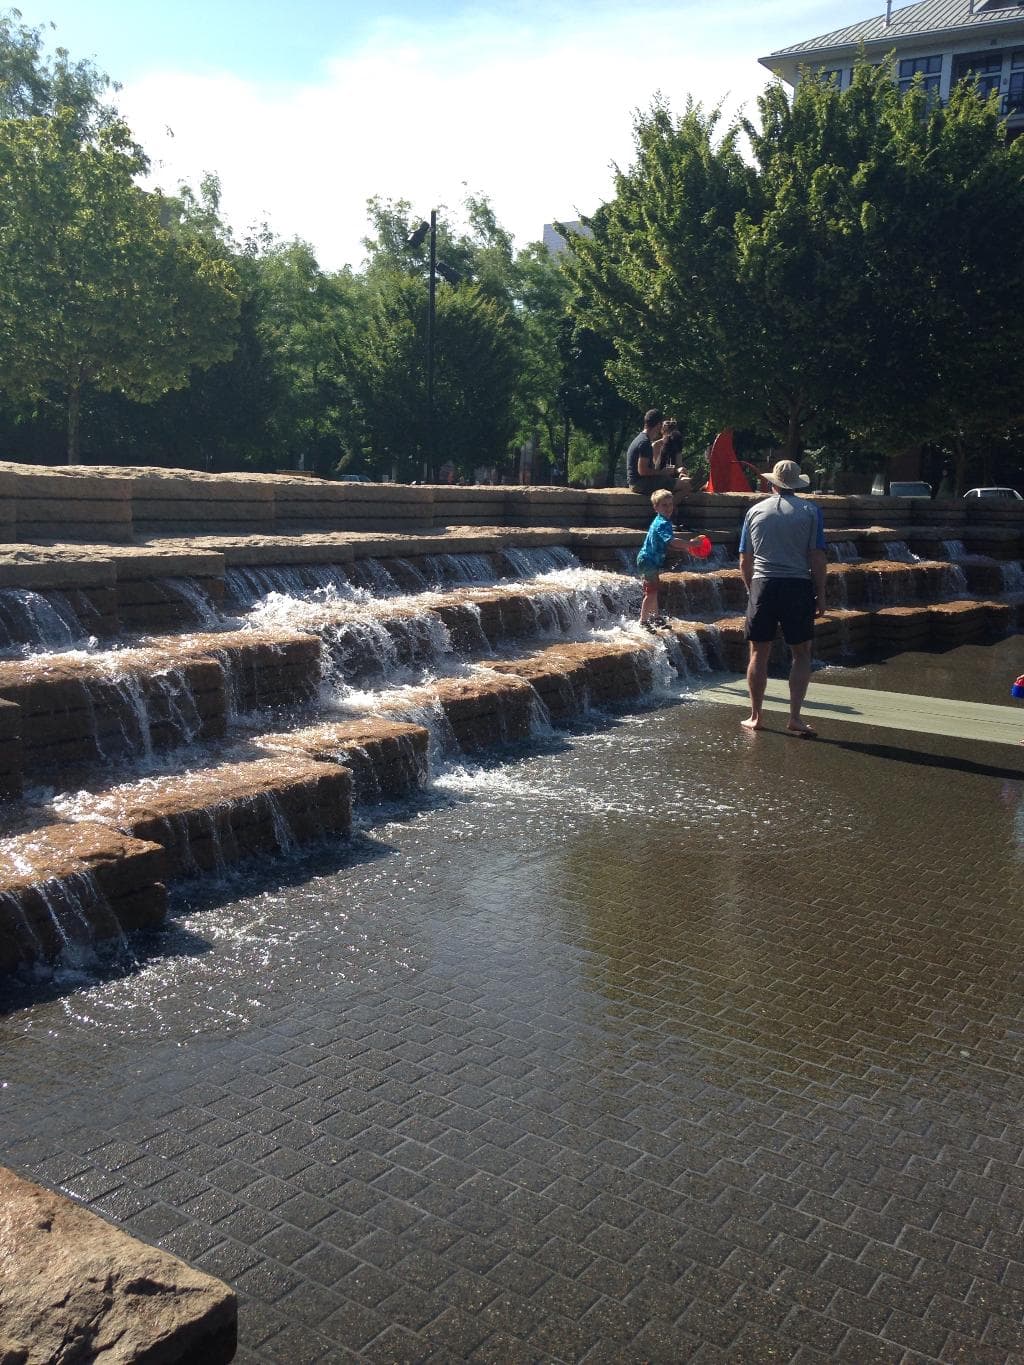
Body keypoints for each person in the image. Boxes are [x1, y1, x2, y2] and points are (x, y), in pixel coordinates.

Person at [738, 459, 827, 737]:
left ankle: (756, 716)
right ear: (797, 483)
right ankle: (795, 718)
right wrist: (821, 594)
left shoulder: (754, 511)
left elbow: (744, 559)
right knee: (801, 653)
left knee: (758, 652)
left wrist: (751, 589)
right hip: (797, 586)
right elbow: (817, 556)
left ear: (772, 483)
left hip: (763, 584)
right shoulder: (811, 512)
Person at [636, 489, 709, 630]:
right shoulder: (662, 524)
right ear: (655, 507)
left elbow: (669, 545)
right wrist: (691, 544)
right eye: (664, 505)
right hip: (648, 561)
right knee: (651, 592)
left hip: (649, 560)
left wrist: (687, 549)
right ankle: (643, 621)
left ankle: (656, 617)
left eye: (670, 504)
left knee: (653, 590)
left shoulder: (663, 521)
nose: (669, 508)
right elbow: (672, 542)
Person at [627, 410, 691, 514]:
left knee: (678, 484)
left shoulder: (640, 439)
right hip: (640, 483)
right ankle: (663, 514)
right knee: (686, 486)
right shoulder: (644, 443)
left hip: (637, 481)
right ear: (658, 425)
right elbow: (642, 471)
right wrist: (663, 473)